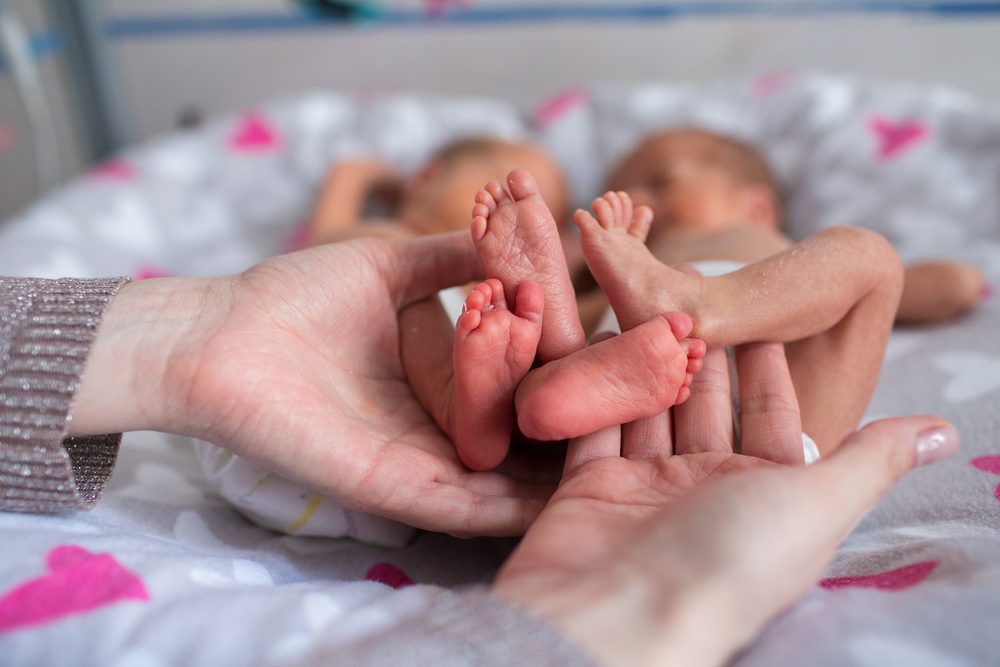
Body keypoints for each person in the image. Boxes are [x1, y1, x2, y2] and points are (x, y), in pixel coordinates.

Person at [0, 235, 959, 665]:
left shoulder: (751, 236)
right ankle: (504, 399)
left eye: (678, 174)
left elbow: (945, 283)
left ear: (758, 193)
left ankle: (514, 399)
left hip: (701, 381)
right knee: (425, 309)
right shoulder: (612, 252)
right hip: (686, 430)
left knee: (873, 261)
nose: (657, 195)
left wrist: (712, 280)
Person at [605, 128, 988, 325]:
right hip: (646, 405)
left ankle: (717, 307)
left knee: (859, 253)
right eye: (612, 197)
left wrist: (883, 278)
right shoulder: (612, 278)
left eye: (662, 182)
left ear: (756, 210)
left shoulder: (791, 262)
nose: (633, 200)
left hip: (780, 409)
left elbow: (955, 284)